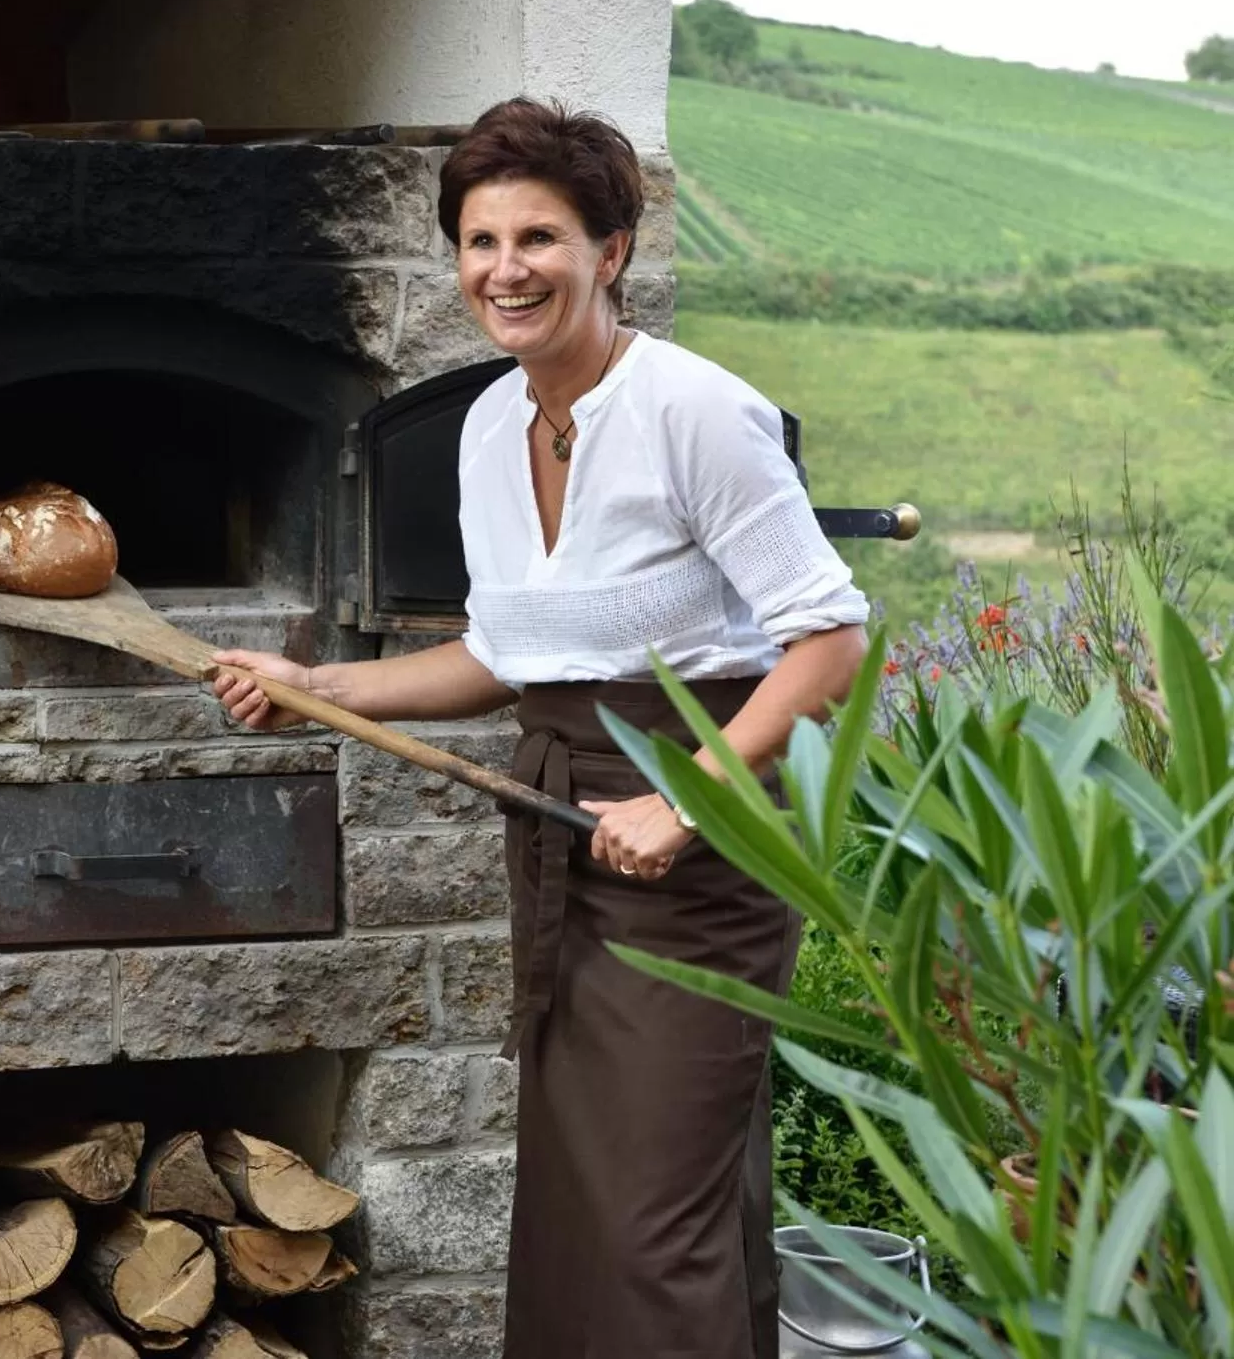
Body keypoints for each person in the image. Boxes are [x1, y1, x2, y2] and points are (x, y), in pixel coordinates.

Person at [211, 97, 869, 1359]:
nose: (505, 270)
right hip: (563, 823)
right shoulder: (486, 425)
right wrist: (316, 686)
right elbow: (508, 655)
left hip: (706, 846)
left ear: (609, 252)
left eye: (540, 238)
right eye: (479, 241)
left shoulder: (696, 412)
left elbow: (830, 643)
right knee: (588, 1201)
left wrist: (687, 801)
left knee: (652, 1216)